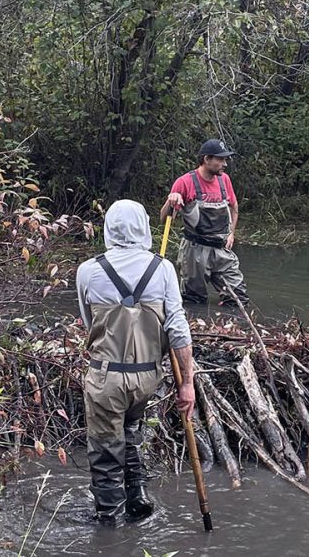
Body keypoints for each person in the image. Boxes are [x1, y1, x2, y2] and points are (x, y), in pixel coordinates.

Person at [76, 200, 195, 526]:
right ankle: (138, 494)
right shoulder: (164, 269)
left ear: (109, 228)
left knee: (105, 451)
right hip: (147, 379)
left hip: (106, 378)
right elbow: (178, 330)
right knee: (131, 432)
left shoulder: (88, 270)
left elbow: (90, 325)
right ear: (144, 226)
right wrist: (187, 383)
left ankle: (110, 523)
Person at [160, 138, 250, 307]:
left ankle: (231, 330)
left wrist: (231, 233)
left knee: (238, 298)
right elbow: (164, 219)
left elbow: (234, 206)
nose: (225, 164)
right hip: (195, 252)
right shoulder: (185, 182)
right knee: (194, 302)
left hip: (221, 250)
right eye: (220, 159)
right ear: (206, 159)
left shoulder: (225, 180)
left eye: (225, 160)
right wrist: (169, 201)